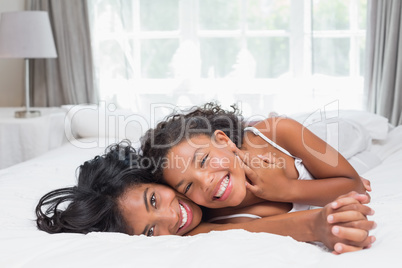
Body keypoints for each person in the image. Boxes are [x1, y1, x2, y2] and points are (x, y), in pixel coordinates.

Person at [36, 141, 375, 254]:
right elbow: (273, 228)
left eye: (154, 201)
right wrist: (322, 223)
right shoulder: (199, 230)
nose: (173, 220)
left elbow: (353, 182)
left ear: (156, 179)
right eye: (151, 232)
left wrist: (290, 188)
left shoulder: (259, 143)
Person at [140, 102, 368, 218]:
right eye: (188, 186)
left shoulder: (281, 132)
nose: (205, 181)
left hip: (321, 137)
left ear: (223, 140)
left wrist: (286, 188)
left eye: (203, 160)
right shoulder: (219, 216)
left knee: (362, 134)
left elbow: (356, 188)